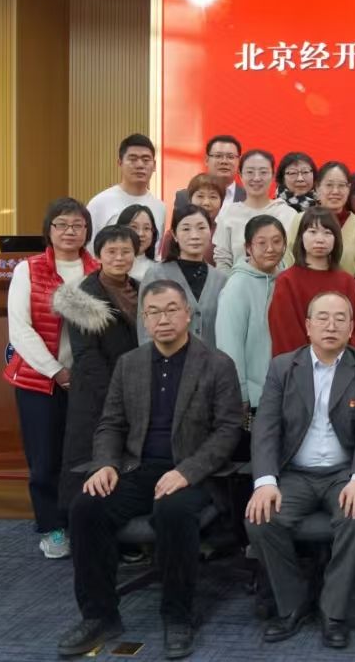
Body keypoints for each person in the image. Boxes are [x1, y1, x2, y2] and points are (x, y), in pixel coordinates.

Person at [57, 279, 241, 660]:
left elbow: (227, 431)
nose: (163, 319)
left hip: (192, 472)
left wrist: (187, 472)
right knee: (86, 507)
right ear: (144, 319)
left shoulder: (217, 364)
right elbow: (111, 423)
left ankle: (177, 615)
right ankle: (99, 615)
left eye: (172, 310)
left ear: (188, 314)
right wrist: (105, 464)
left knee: (173, 510)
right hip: (138, 468)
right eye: (154, 312)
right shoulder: (130, 364)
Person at [246, 292, 355, 650]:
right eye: (322, 317)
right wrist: (265, 482)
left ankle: (333, 611)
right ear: (308, 326)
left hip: (345, 473)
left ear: (351, 327)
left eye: (340, 318)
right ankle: (293, 603)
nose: (331, 325)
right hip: (295, 474)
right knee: (261, 518)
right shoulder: (282, 367)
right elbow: (266, 429)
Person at [5, 197, 99, 558]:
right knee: (44, 459)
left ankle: (82, 522)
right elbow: (20, 329)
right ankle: (51, 527)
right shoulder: (28, 270)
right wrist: (57, 372)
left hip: (86, 382)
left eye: (77, 225)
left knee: (81, 455)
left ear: (87, 230)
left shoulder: (98, 269)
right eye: (61, 224)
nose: (69, 231)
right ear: (49, 230)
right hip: (39, 380)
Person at [53, 225, 140, 514]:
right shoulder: (82, 295)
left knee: (123, 460)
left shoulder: (142, 289)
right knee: (86, 458)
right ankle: (70, 522)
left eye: (126, 251)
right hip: (95, 392)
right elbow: (86, 354)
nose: (119, 257)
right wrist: (115, 395)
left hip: (135, 388)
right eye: (111, 251)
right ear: (98, 255)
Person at [269, 207, 355, 356]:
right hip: (301, 364)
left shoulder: (346, 281)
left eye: (327, 233)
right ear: (301, 237)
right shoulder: (287, 281)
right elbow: (285, 335)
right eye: (312, 232)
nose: (320, 239)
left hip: (343, 364)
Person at [216, 215, 288, 423]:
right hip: (255, 396)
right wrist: (241, 392)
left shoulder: (287, 280)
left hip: (286, 389)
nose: (270, 249)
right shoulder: (237, 286)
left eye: (277, 241)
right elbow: (229, 346)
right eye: (261, 243)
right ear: (248, 248)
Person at [139, 205, 227, 349]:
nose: (195, 236)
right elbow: (145, 329)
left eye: (201, 228)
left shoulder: (221, 280)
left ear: (210, 232)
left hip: (212, 361)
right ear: (174, 235)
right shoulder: (156, 274)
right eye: (186, 229)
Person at [213, 150, 298, 269]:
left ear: (273, 175)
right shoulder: (228, 213)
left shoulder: (288, 214)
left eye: (263, 172)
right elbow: (223, 260)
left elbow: (295, 258)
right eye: (250, 172)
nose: (257, 178)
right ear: (240, 176)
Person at [285, 161, 355, 278]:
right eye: (329, 185)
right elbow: (288, 259)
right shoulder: (300, 219)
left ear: (348, 188)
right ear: (317, 188)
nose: (335, 191)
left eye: (341, 185)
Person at [86, 133, 165, 248]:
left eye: (146, 160)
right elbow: (89, 249)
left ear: (154, 165)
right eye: (133, 159)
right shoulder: (100, 203)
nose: (140, 165)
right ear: (120, 163)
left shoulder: (160, 207)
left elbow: (157, 251)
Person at [174, 135, 243, 211]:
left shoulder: (249, 197)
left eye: (230, 157)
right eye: (218, 156)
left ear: (239, 161)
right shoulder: (184, 197)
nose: (224, 161)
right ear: (206, 160)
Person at [117, 203, 157, 280]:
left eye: (146, 228)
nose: (140, 234)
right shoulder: (109, 264)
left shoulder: (159, 270)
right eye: (134, 227)